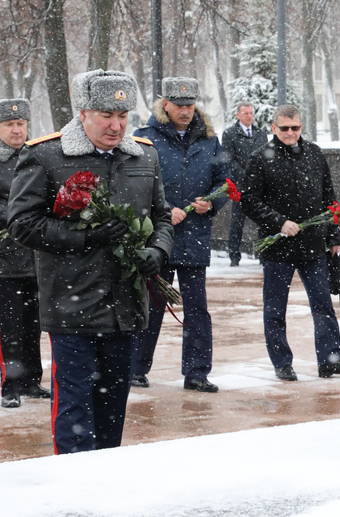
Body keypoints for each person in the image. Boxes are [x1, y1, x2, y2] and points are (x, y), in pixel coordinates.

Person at [7, 70, 173, 453]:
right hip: (73, 304)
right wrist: (85, 237)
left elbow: (162, 215)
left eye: (123, 116)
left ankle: (106, 486)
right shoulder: (46, 155)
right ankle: (73, 493)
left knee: (113, 406)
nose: (116, 126)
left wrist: (158, 251)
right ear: (83, 113)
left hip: (126, 305)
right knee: (74, 407)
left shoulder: (144, 154)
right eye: (105, 115)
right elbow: (22, 223)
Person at [130, 77, 229, 392]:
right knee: (152, 304)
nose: (185, 111)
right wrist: (164, 209)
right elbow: (135, 183)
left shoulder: (210, 141)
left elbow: (226, 181)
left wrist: (210, 203)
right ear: (165, 104)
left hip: (196, 235)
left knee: (197, 308)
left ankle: (197, 372)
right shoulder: (145, 139)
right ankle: (136, 367)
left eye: (190, 105)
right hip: (160, 236)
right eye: (179, 105)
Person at [240, 105, 340, 381]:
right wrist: (279, 222)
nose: (290, 133)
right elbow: (249, 200)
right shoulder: (260, 158)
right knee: (275, 308)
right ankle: (282, 362)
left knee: (323, 304)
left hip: (313, 244)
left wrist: (334, 236)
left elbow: (329, 196)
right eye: (285, 128)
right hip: (278, 245)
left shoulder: (314, 153)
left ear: (301, 127)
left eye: (295, 128)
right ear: (273, 128)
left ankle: (330, 359)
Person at [0, 98, 49, 408]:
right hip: (5, 258)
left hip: (36, 257)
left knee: (34, 322)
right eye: (9, 124)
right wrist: (21, 216)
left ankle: (32, 380)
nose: (16, 129)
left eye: (20, 124)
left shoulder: (36, 157)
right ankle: (10, 384)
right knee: (10, 324)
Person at [222, 102, 268, 266]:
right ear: (238, 115)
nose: (249, 116)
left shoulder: (260, 133)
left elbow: (266, 155)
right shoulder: (229, 134)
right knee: (237, 221)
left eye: (251, 113)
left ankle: (263, 255)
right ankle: (234, 256)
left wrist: (260, 175)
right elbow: (228, 158)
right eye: (246, 113)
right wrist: (246, 174)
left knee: (263, 220)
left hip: (259, 186)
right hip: (240, 185)